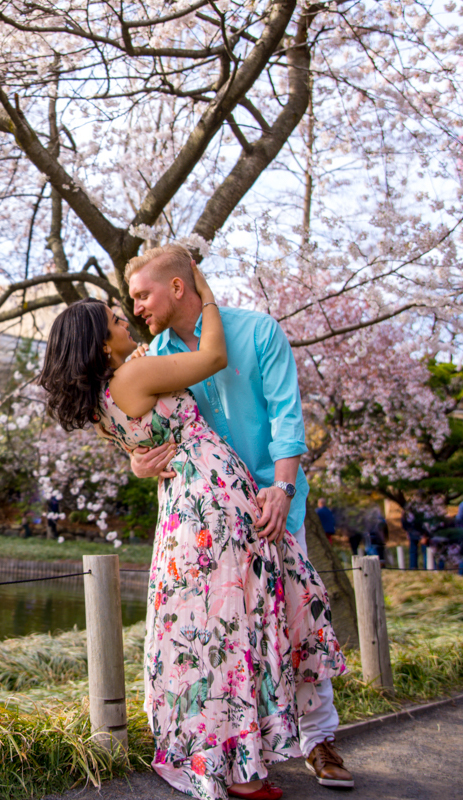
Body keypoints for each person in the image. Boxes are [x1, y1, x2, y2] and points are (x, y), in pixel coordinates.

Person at [36, 267, 346, 800]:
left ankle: (246, 759)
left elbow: (140, 444)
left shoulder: (105, 394)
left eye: (131, 303)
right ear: (100, 341)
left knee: (212, 631)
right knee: (232, 627)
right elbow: (212, 360)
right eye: (115, 317)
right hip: (211, 500)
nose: (127, 315)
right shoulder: (135, 374)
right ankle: (244, 768)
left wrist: (136, 463)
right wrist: (206, 296)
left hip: (185, 508)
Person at [125, 245, 354, 792]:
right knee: (228, 635)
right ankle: (247, 749)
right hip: (206, 525)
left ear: (178, 287)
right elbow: (140, 425)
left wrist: (282, 487)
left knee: (296, 617)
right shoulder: (150, 358)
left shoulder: (257, 331)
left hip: (273, 505)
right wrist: (137, 463)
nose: (135, 307)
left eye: (143, 294)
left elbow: (286, 415)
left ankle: (319, 740)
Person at [400, 504, 425, 570]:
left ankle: (415, 567)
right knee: (416, 551)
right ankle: (414, 567)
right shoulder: (419, 511)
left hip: (418, 533)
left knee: (422, 551)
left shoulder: (408, 512)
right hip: (416, 533)